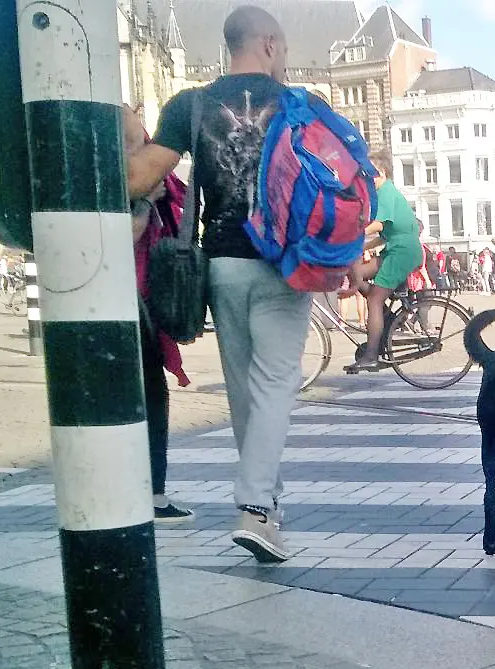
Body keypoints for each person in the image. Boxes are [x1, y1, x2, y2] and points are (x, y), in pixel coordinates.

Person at [128, 4, 316, 562]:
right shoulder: (300, 106)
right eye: (281, 49)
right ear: (269, 44)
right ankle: (255, 508)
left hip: (221, 264)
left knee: (244, 393)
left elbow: (138, 175)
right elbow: (344, 182)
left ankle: (268, 508)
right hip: (285, 263)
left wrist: (122, 132)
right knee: (277, 384)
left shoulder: (190, 104)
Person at [123, 105, 195, 523]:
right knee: (149, 393)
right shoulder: (128, 180)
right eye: (139, 139)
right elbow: (124, 235)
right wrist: (148, 198)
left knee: (148, 393)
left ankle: (150, 490)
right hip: (131, 292)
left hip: (139, 289)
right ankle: (149, 492)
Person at [339, 148, 422, 370]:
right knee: (357, 270)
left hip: (402, 252)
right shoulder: (385, 192)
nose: (367, 178)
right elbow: (388, 232)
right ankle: (382, 315)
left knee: (373, 300)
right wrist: (365, 245)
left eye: (371, 173)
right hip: (397, 248)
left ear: (383, 173)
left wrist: (354, 233)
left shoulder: (385, 192)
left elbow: (379, 225)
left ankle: (372, 355)